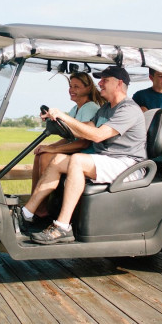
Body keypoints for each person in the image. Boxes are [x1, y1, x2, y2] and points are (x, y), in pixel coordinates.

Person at [19, 66, 147, 244]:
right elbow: (85, 128)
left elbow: (97, 135)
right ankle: (26, 213)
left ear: (119, 84)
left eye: (105, 80)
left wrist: (64, 116)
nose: (100, 83)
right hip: (108, 160)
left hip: (128, 164)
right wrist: (56, 119)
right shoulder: (106, 109)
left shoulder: (128, 109)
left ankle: (62, 227)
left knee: (77, 161)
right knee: (57, 160)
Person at [29, 72, 103, 219]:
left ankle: (42, 208)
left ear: (88, 89)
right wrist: (49, 146)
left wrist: (53, 149)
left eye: (76, 86)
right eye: (70, 86)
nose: (71, 89)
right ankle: (35, 205)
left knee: (45, 158)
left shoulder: (90, 108)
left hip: (85, 154)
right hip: (75, 151)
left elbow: (83, 142)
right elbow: (68, 136)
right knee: (40, 155)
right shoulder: (75, 109)